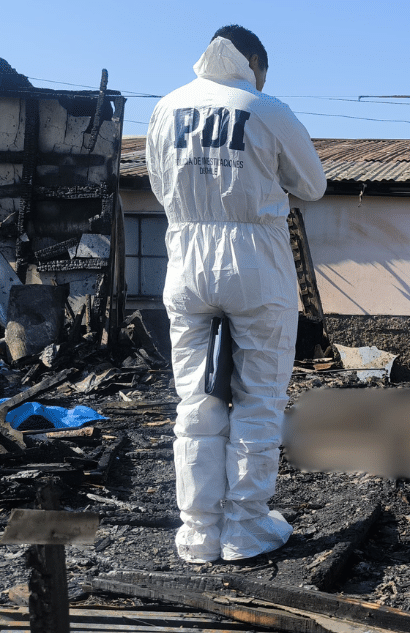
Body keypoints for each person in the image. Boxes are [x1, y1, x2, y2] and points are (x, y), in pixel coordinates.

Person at [146, 25, 327, 563]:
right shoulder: (266, 107)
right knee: (258, 398)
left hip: (185, 261)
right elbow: (312, 185)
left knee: (196, 401)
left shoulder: (165, 109)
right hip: (255, 262)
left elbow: (158, 187)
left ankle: (198, 532)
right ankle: (245, 527)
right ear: (253, 61)